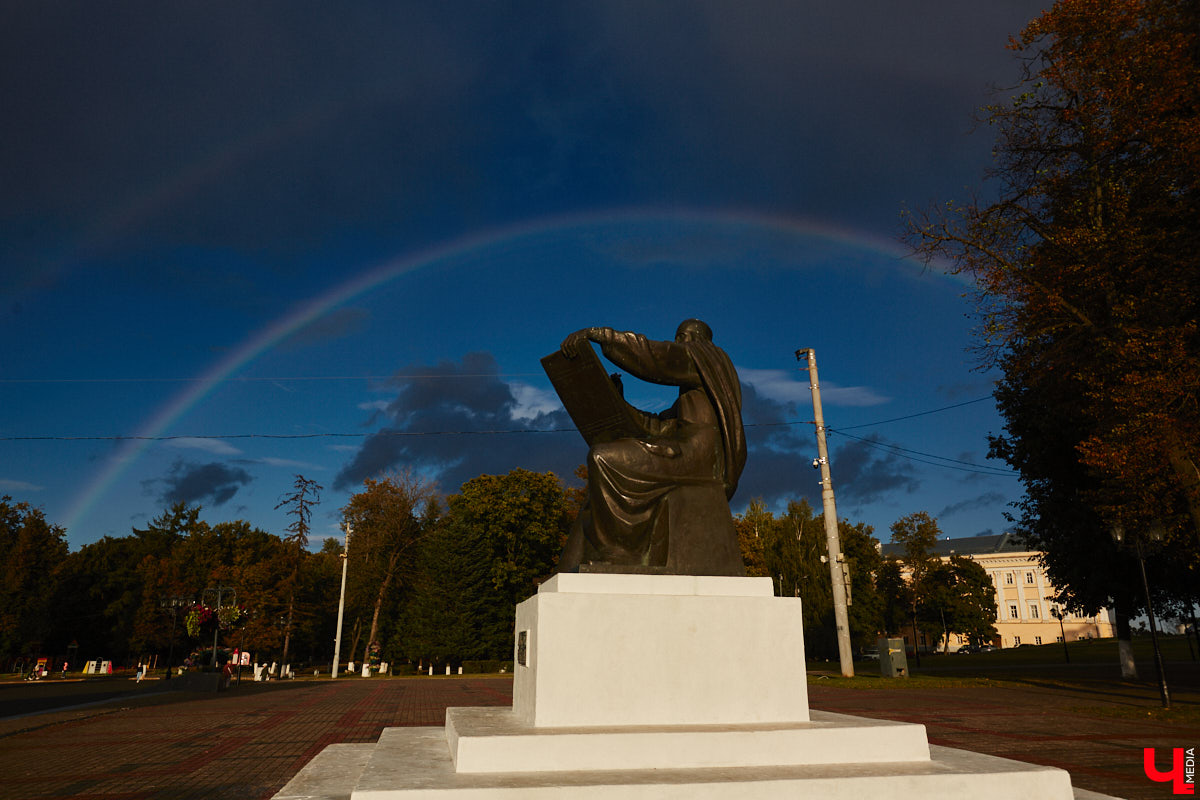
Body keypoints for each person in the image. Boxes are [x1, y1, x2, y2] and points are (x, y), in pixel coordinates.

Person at [558, 319, 746, 576]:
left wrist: (600, 335)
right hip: (684, 450)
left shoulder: (708, 358)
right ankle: (584, 560)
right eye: (679, 337)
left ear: (700, 339)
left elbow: (657, 356)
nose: (681, 343)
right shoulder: (694, 392)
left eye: (684, 336)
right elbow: (656, 426)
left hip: (698, 455)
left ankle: (621, 552)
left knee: (605, 459)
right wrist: (616, 401)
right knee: (604, 457)